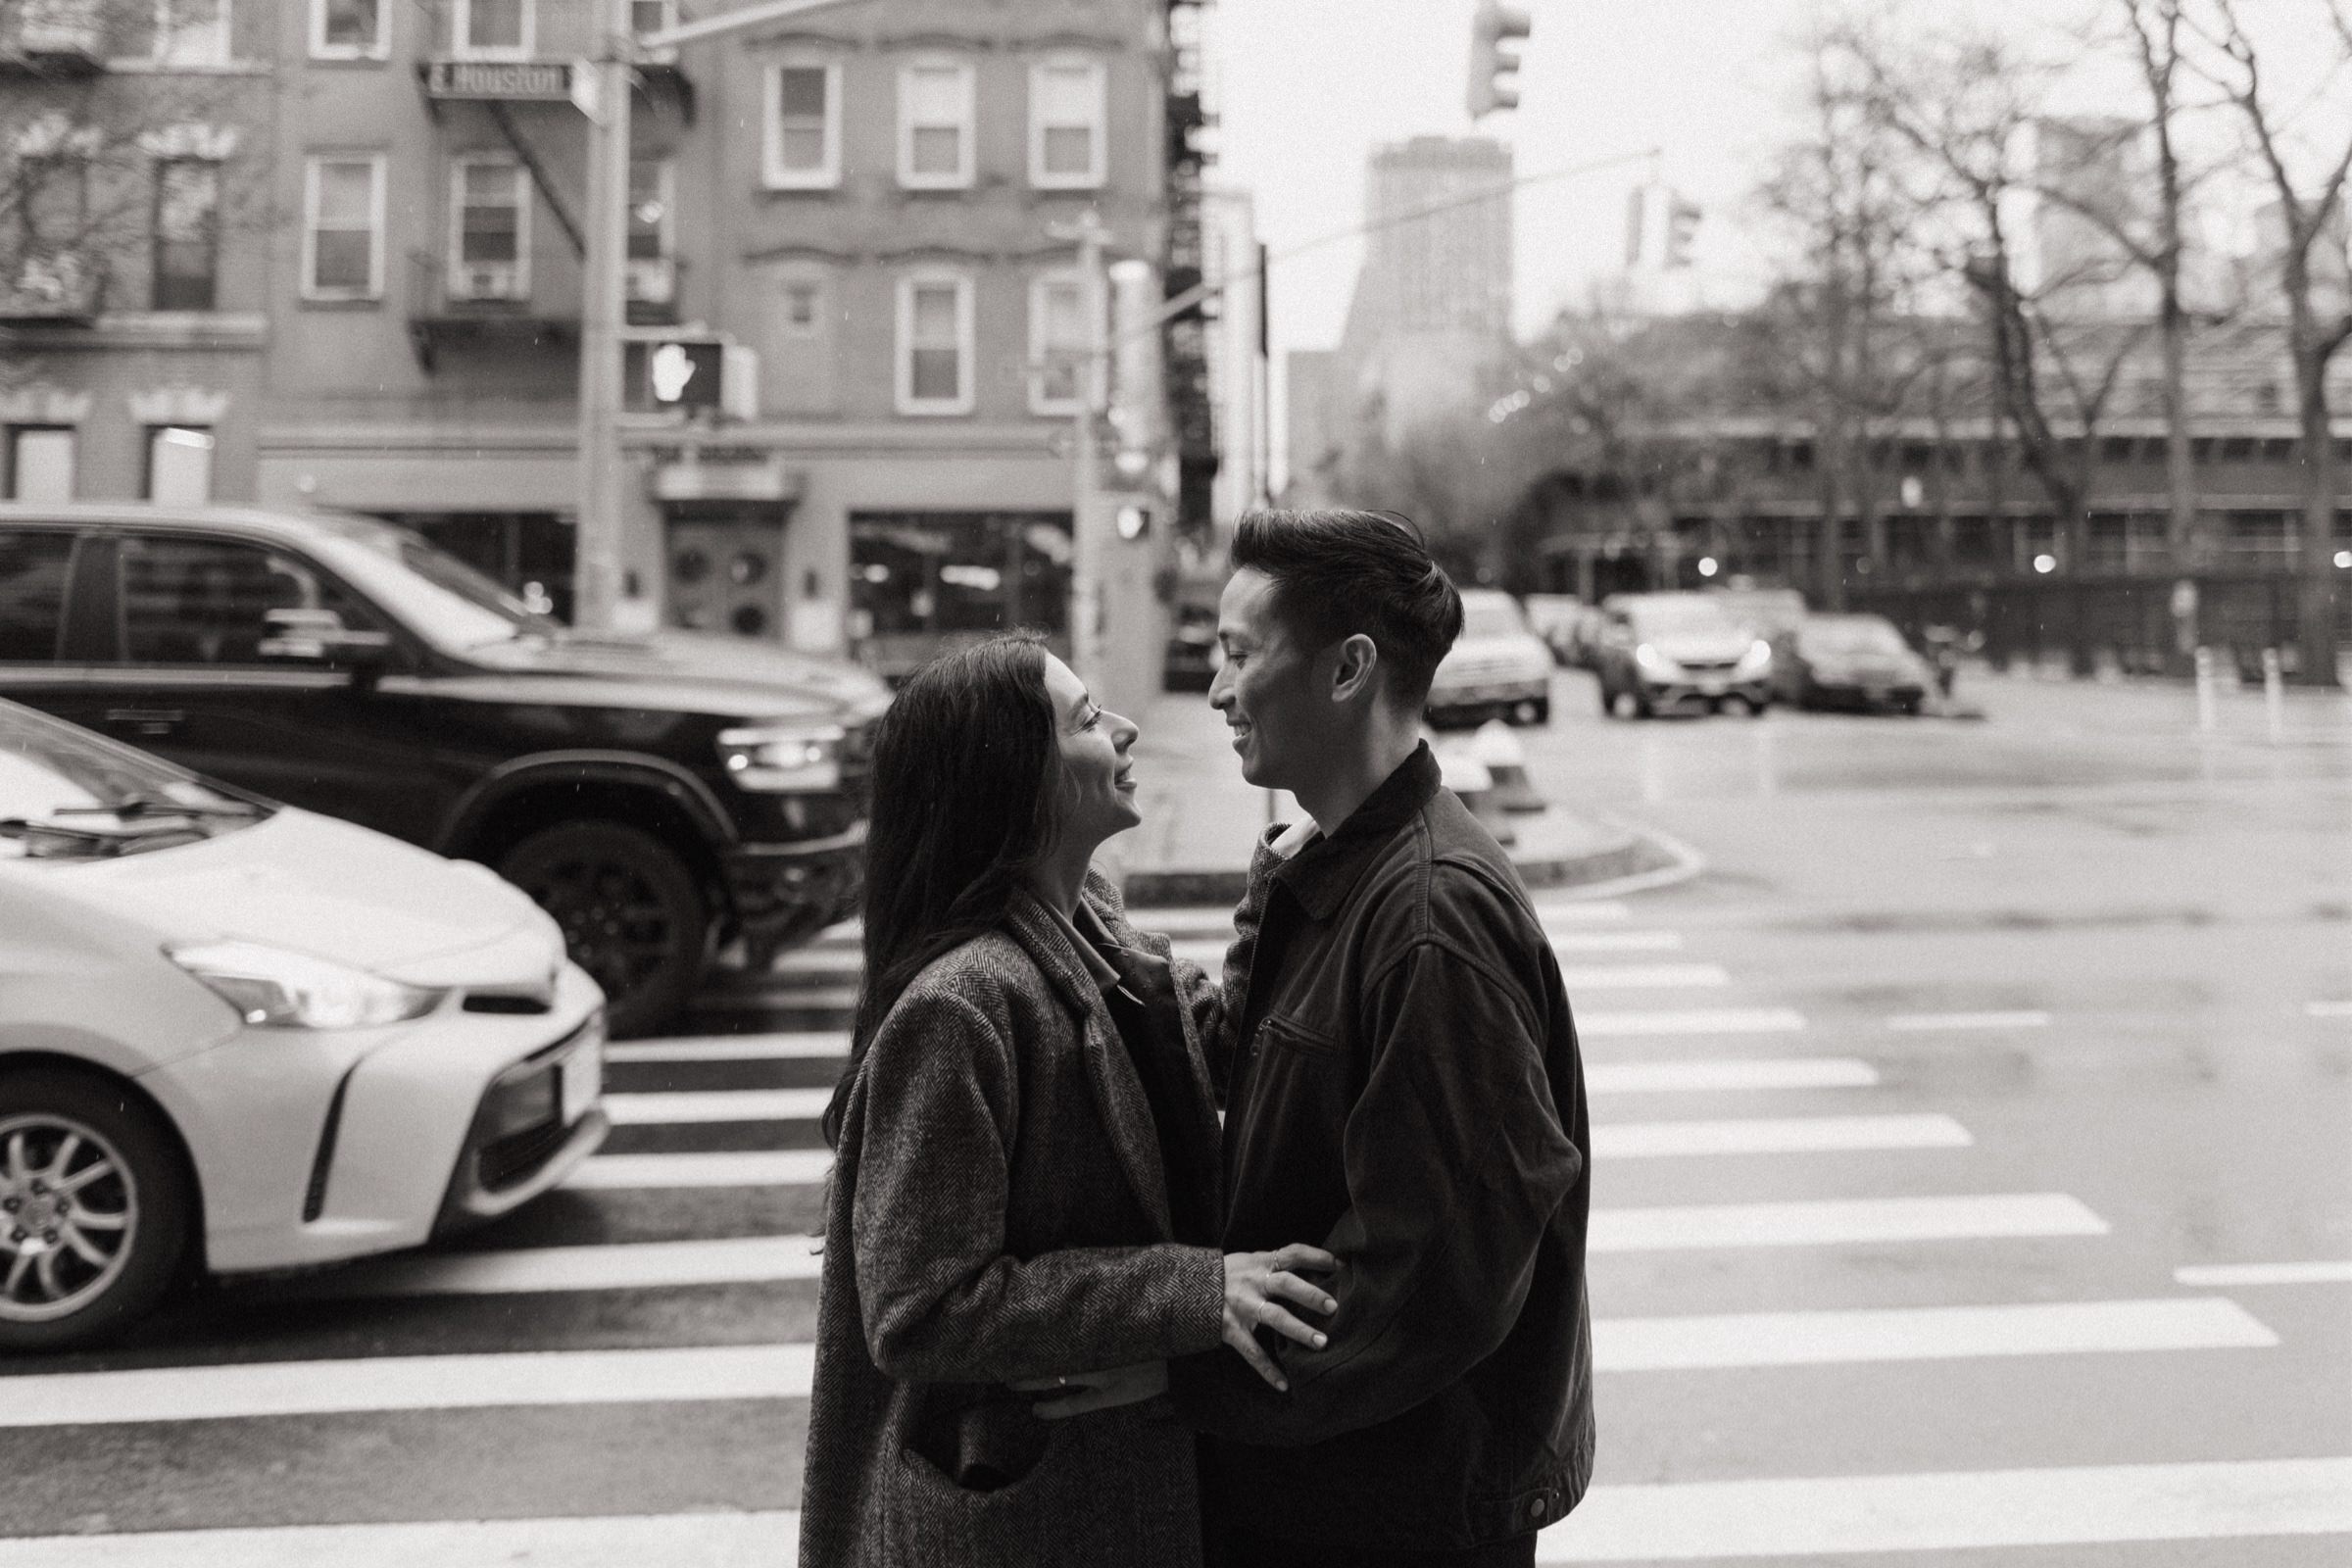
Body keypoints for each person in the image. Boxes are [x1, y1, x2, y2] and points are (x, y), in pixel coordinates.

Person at [1050, 510, 1596, 1565]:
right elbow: (1232, 1053)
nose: (1217, 691)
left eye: (1239, 654)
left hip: (1394, 1506)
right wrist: (1055, 889)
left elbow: (1438, 1275)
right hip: (1331, 1479)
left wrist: (1186, 1365)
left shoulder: (1432, 921)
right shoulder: (1340, 864)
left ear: (1348, 670)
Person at [798, 634, 1340, 1568]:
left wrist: (1279, 882)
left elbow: (1221, 1051)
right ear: (1017, 780)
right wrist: (1198, 1292)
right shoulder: (962, 1005)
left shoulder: (1092, 921)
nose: (1126, 729)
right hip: (1020, 1518)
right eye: (1088, 720)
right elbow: (921, 1309)